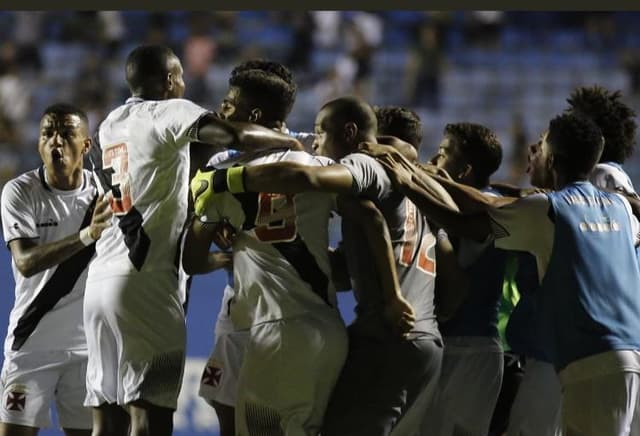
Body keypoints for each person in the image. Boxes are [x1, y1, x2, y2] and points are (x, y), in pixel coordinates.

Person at [364, 112, 640, 436]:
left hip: (585, 358)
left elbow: (473, 216)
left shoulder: (550, 211)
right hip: (625, 355)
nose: (536, 148)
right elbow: (505, 199)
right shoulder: (618, 206)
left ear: (553, 158)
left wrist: (407, 179)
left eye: (544, 143)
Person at [192, 96, 450, 435]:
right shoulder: (410, 176)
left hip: (360, 334)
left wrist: (226, 181)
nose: (315, 140)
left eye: (319, 131)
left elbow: (310, 179)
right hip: (409, 338)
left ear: (352, 132)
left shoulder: (362, 163)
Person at [85, 45, 303, 436]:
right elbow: (231, 133)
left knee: (108, 419)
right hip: (146, 284)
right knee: (149, 417)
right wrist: (287, 141)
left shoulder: (110, 123)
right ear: (170, 80)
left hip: (101, 282)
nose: (186, 85)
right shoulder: (173, 109)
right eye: (181, 76)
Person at [187, 59, 301, 436]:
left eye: (229, 104)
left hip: (255, 306)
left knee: (237, 413)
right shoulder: (311, 153)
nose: (221, 110)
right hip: (289, 306)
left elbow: (193, 256)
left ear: (253, 113)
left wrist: (226, 251)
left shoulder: (222, 165)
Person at [0, 104, 112, 436]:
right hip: (33, 344)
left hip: (88, 350)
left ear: (87, 145)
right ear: (38, 144)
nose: (56, 142)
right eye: (48, 133)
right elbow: (26, 261)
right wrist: (87, 235)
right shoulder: (20, 192)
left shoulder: (104, 193)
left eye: (66, 133)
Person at [419, 123, 507, 436]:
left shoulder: (488, 209)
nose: (433, 160)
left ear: (465, 170)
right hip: (459, 346)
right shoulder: (471, 202)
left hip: (471, 348)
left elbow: (456, 284)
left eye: (443, 153)